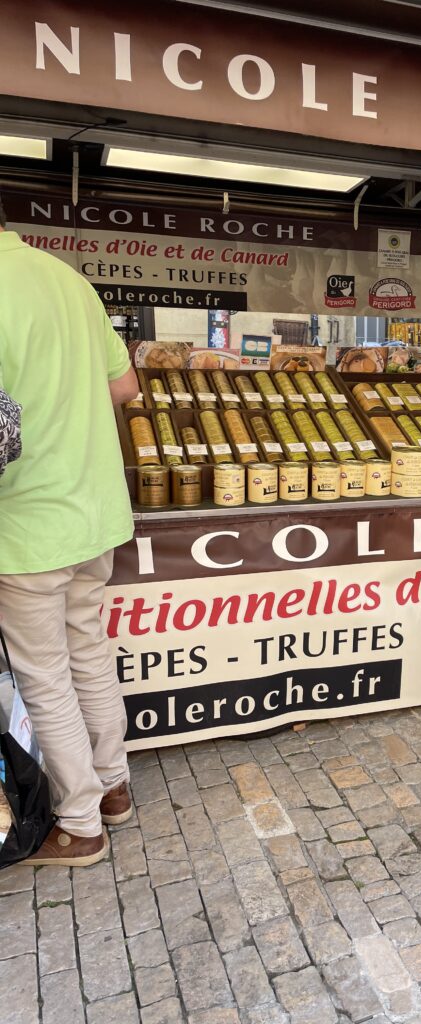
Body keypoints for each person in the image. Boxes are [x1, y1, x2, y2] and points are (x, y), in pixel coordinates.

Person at [0, 195, 139, 866]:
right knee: (88, 653)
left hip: (27, 523)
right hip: (94, 512)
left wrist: (33, 411)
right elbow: (125, 386)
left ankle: (81, 824)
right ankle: (114, 789)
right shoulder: (67, 278)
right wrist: (62, 402)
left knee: (45, 676)